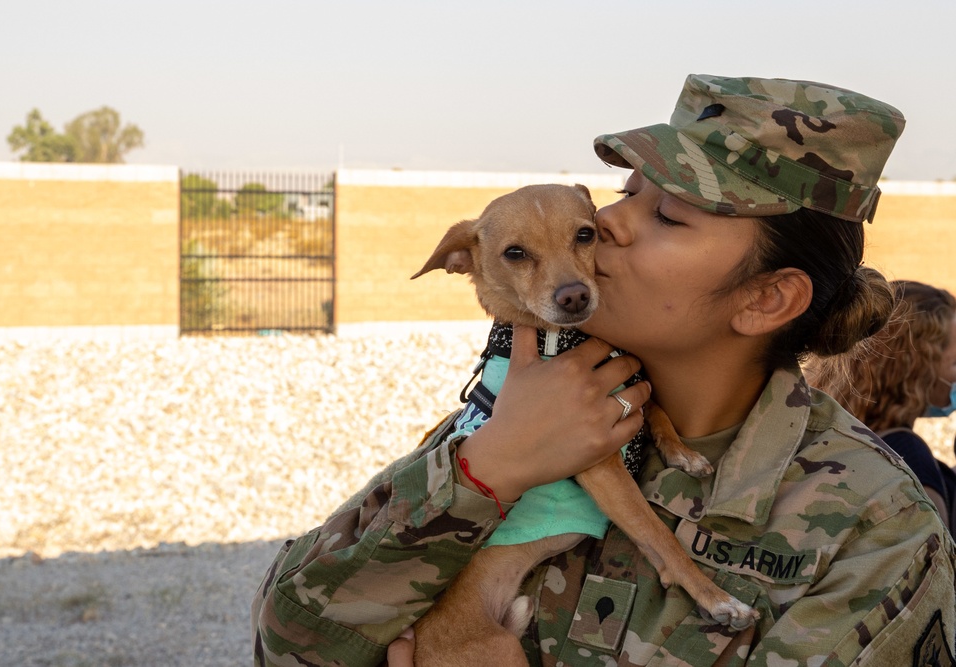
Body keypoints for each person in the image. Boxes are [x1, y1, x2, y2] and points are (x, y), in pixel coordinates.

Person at [251, 75, 956, 666]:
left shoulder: (875, 530)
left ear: (767, 296)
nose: (609, 223)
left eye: (670, 215)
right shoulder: (521, 414)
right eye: (624, 191)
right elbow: (285, 643)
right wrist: (483, 472)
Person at [807, 280, 956, 532]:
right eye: (954, 362)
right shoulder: (909, 459)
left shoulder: (820, 434)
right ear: (916, 368)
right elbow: (935, 566)